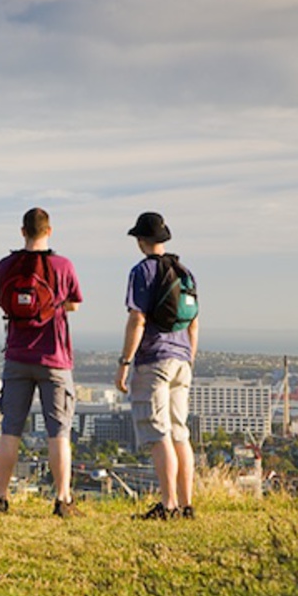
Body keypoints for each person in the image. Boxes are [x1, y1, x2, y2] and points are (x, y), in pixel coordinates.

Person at [0, 208, 83, 518]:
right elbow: (73, 303)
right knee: (58, 431)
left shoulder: (5, 266)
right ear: (50, 230)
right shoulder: (62, 265)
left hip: (16, 355)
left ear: (22, 231)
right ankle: (62, 498)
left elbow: (4, 302)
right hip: (53, 357)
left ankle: (0, 497)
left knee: (10, 429)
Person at [115, 212, 199, 520]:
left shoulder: (142, 272)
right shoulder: (184, 271)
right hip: (182, 359)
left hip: (154, 359)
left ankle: (168, 504)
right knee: (180, 432)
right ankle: (186, 504)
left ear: (140, 241)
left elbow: (137, 319)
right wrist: (190, 357)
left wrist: (125, 362)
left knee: (158, 433)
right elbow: (193, 321)